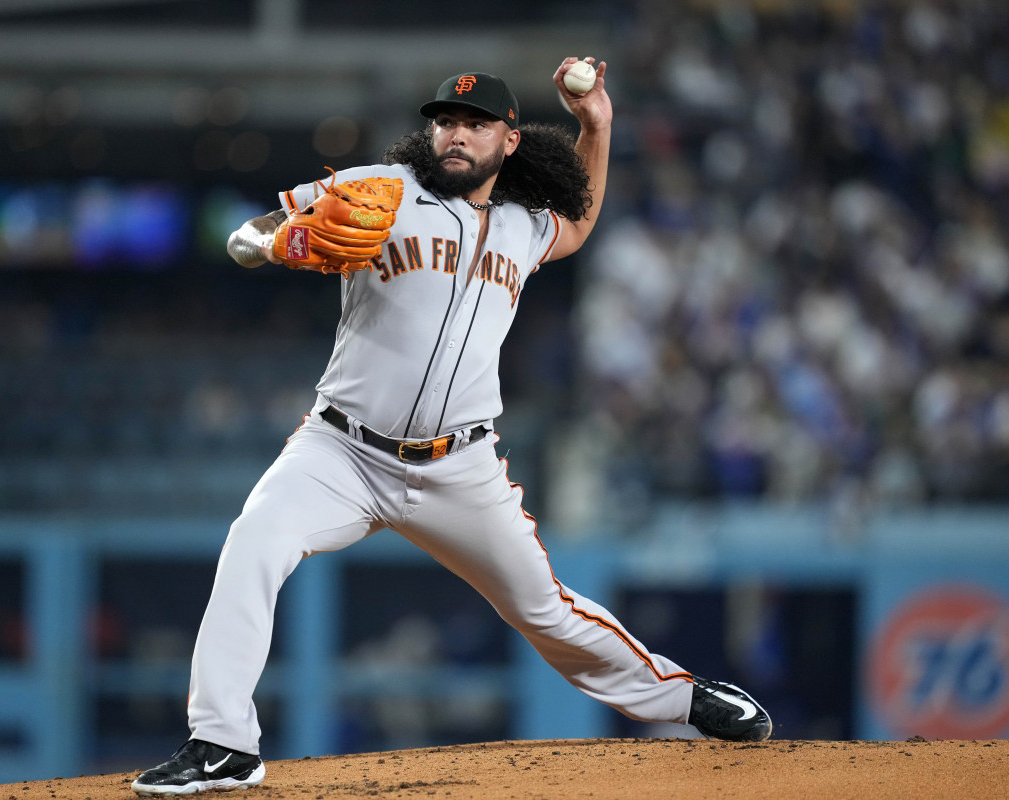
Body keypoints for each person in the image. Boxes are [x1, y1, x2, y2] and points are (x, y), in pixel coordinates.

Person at [131, 57, 772, 796]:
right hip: (341, 449)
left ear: (509, 140)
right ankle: (222, 744)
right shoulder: (382, 188)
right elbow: (248, 233)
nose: (455, 134)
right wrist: (285, 242)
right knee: (253, 544)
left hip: (458, 467)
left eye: (473, 124)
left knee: (547, 611)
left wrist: (597, 123)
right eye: (445, 121)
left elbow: (581, 219)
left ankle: (686, 699)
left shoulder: (523, 229)